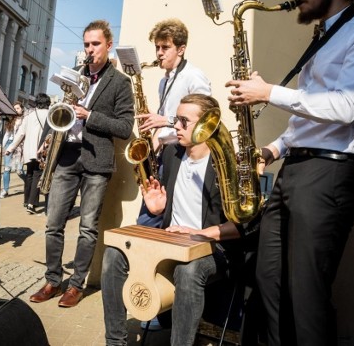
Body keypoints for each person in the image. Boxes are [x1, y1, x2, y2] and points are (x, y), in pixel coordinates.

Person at [225, 0, 354, 346]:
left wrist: (268, 93)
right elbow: (310, 118)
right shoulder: (324, 38)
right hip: (297, 170)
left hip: (331, 174)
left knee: (307, 296)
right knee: (268, 281)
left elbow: (346, 107)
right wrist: (272, 150)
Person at [101, 94, 259, 346]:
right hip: (170, 244)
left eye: (184, 121)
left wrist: (202, 233)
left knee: (189, 270)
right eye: (177, 119)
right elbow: (164, 208)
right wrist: (156, 210)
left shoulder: (229, 163)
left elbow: (248, 225)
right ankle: (115, 341)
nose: (176, 126)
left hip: (212, 248)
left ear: (208, 123)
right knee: (113, 254)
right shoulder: (172, 154)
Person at [29, 20, 134, 308]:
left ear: (108, 45)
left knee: (88, 227)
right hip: (66, 155)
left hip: (97, 160)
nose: (90, 49)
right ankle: (52, 280)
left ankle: (76, 285)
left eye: (95, 44)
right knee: (53, 223)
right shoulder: (73, 75)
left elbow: (125, 126)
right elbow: (60, 110)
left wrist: (89, 115)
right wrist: (47, 137)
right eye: (86, 44)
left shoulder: (120, 82)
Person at [135, 18, 213, 228]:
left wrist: (165, 120)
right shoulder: (164, 81)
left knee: (153, 220)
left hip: (181, 154)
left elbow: (205, 116)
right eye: (157, 47)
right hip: (163, 154)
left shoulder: (193, 76)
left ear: (181, 49)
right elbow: (165, 122)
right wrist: (150, 146)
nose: (159, 53)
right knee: (152, 215)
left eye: (165, 47)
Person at [5, 94, 50, 213]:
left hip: (29, 151)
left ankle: (26, 200)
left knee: (29, 174)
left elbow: (20, 134)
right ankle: (32, 203)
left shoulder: (29, 115)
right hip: (42, 151)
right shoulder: (50, 115)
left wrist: (10, 148)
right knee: (37, 175)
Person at [0, 102, 25, 198]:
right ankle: (5, 190)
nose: (16, 110)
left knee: (19, 170)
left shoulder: (25, 120)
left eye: (18, 108)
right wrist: (3, 147)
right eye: (14, 109)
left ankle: (29, 183)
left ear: (22, 109)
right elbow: (7, 134)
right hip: (9, 143)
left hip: (20, 146)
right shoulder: (11, 120)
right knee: (7, 169)